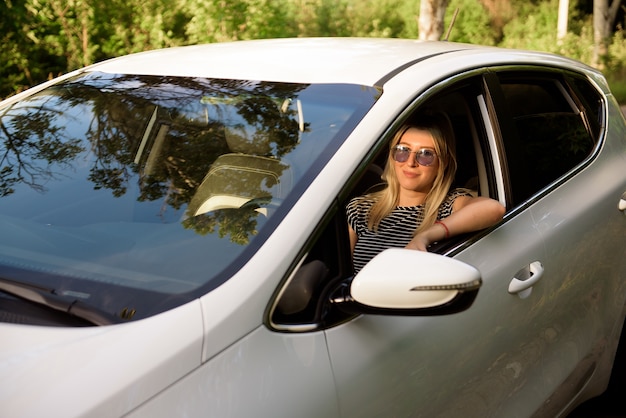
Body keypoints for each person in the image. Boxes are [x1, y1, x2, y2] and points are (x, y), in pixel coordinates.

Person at [346, 113, 506, 273]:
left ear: (443, 163)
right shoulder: (361, 209)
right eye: (403, 150)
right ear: (392, 155)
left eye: (426, 154)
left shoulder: (448, 206)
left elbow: (494, 209)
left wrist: (425, 236)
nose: (410, 162)